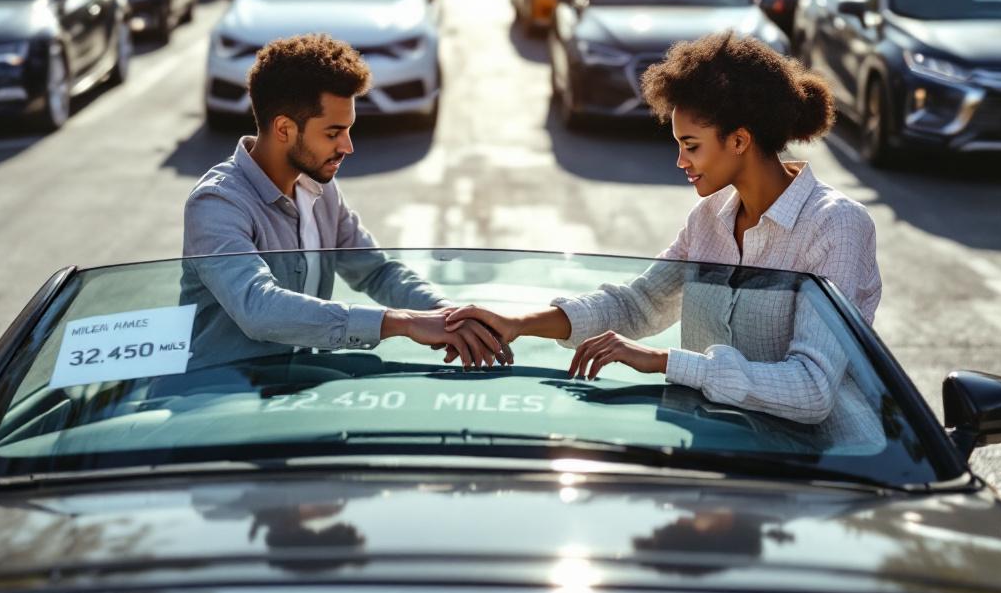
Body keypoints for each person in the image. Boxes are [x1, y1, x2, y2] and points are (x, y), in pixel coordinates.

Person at [446, 31, 882, 429]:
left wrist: (663, 362)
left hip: (820, 472)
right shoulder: (709, 218)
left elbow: (811, 390)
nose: (681, 161)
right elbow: (640, 303)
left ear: (739, 141)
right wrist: (518, 323)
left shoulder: (836, 224)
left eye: (691, 146)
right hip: (713, 448)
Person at [182, 33, 505, 369]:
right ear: (283, 129)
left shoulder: (321, 190)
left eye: (348, 130)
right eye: (333, 133)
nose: (347, 147)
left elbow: (376, 272)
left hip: (301, 392)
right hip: (222, 398)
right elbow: (258, 308)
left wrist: (450, 314)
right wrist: (404, 322)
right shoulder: (217, 203)